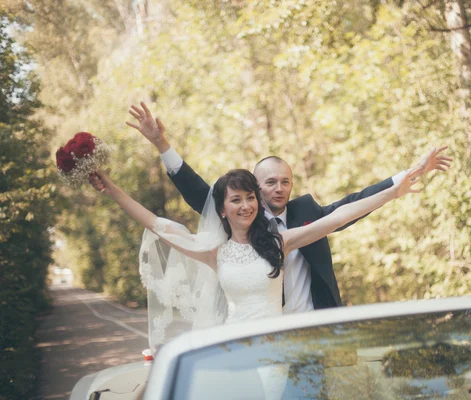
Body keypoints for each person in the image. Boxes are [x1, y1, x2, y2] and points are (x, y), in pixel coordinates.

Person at [122, 102, 452, 313]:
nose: (279, 188)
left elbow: (352, 206)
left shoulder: (305, 213)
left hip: (311, 325)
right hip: (259, 327)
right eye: (269, 183)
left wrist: (406, 179)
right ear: (254, 188)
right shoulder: (239, 221)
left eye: (285, 181)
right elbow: (196, 190)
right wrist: (161, 144)